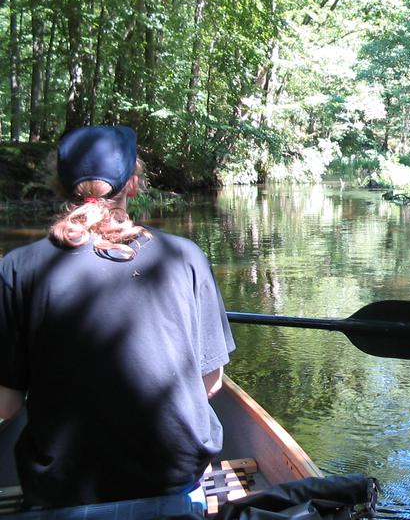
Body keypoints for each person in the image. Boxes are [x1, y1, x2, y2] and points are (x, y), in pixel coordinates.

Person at [0, 125, 235, 508]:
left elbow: (6, 406)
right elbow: (210, 384)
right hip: (171, 479)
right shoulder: (185, 257)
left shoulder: (16, 267)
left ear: (59, 188)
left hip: (62, 489)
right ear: (135, 185)